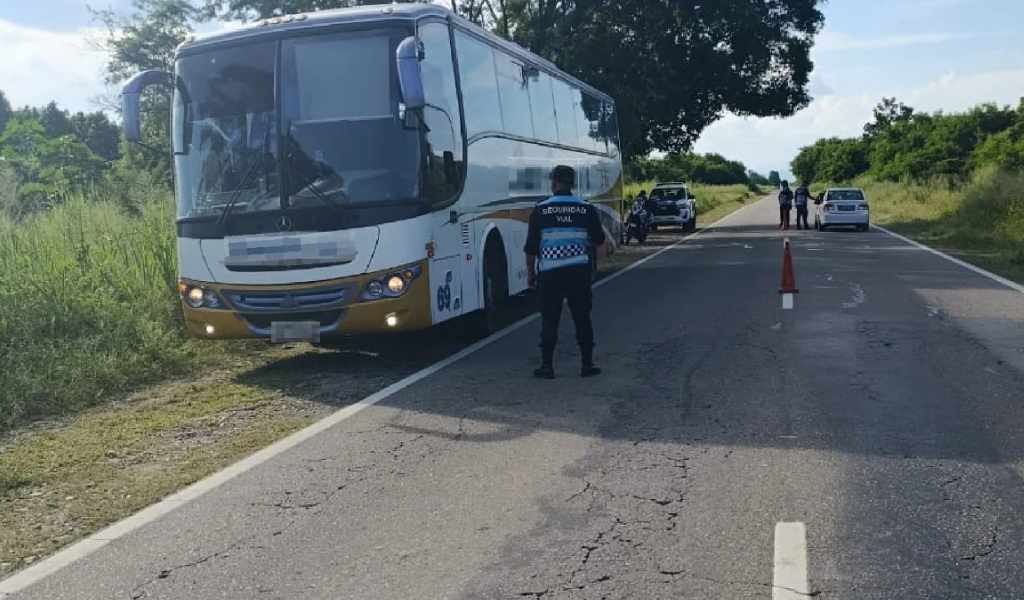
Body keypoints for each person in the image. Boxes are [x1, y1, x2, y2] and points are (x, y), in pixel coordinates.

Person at [525, 165, 606, 379]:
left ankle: (547, 366)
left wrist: (530, 275)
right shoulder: (586, 208)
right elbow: (598, 240)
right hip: (579, 273)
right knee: (582, 318)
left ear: (554, 182)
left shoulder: (540, 209)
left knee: (550, 319)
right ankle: (587, 365)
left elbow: (531, 248)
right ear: (572, 183)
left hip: (550, 274)